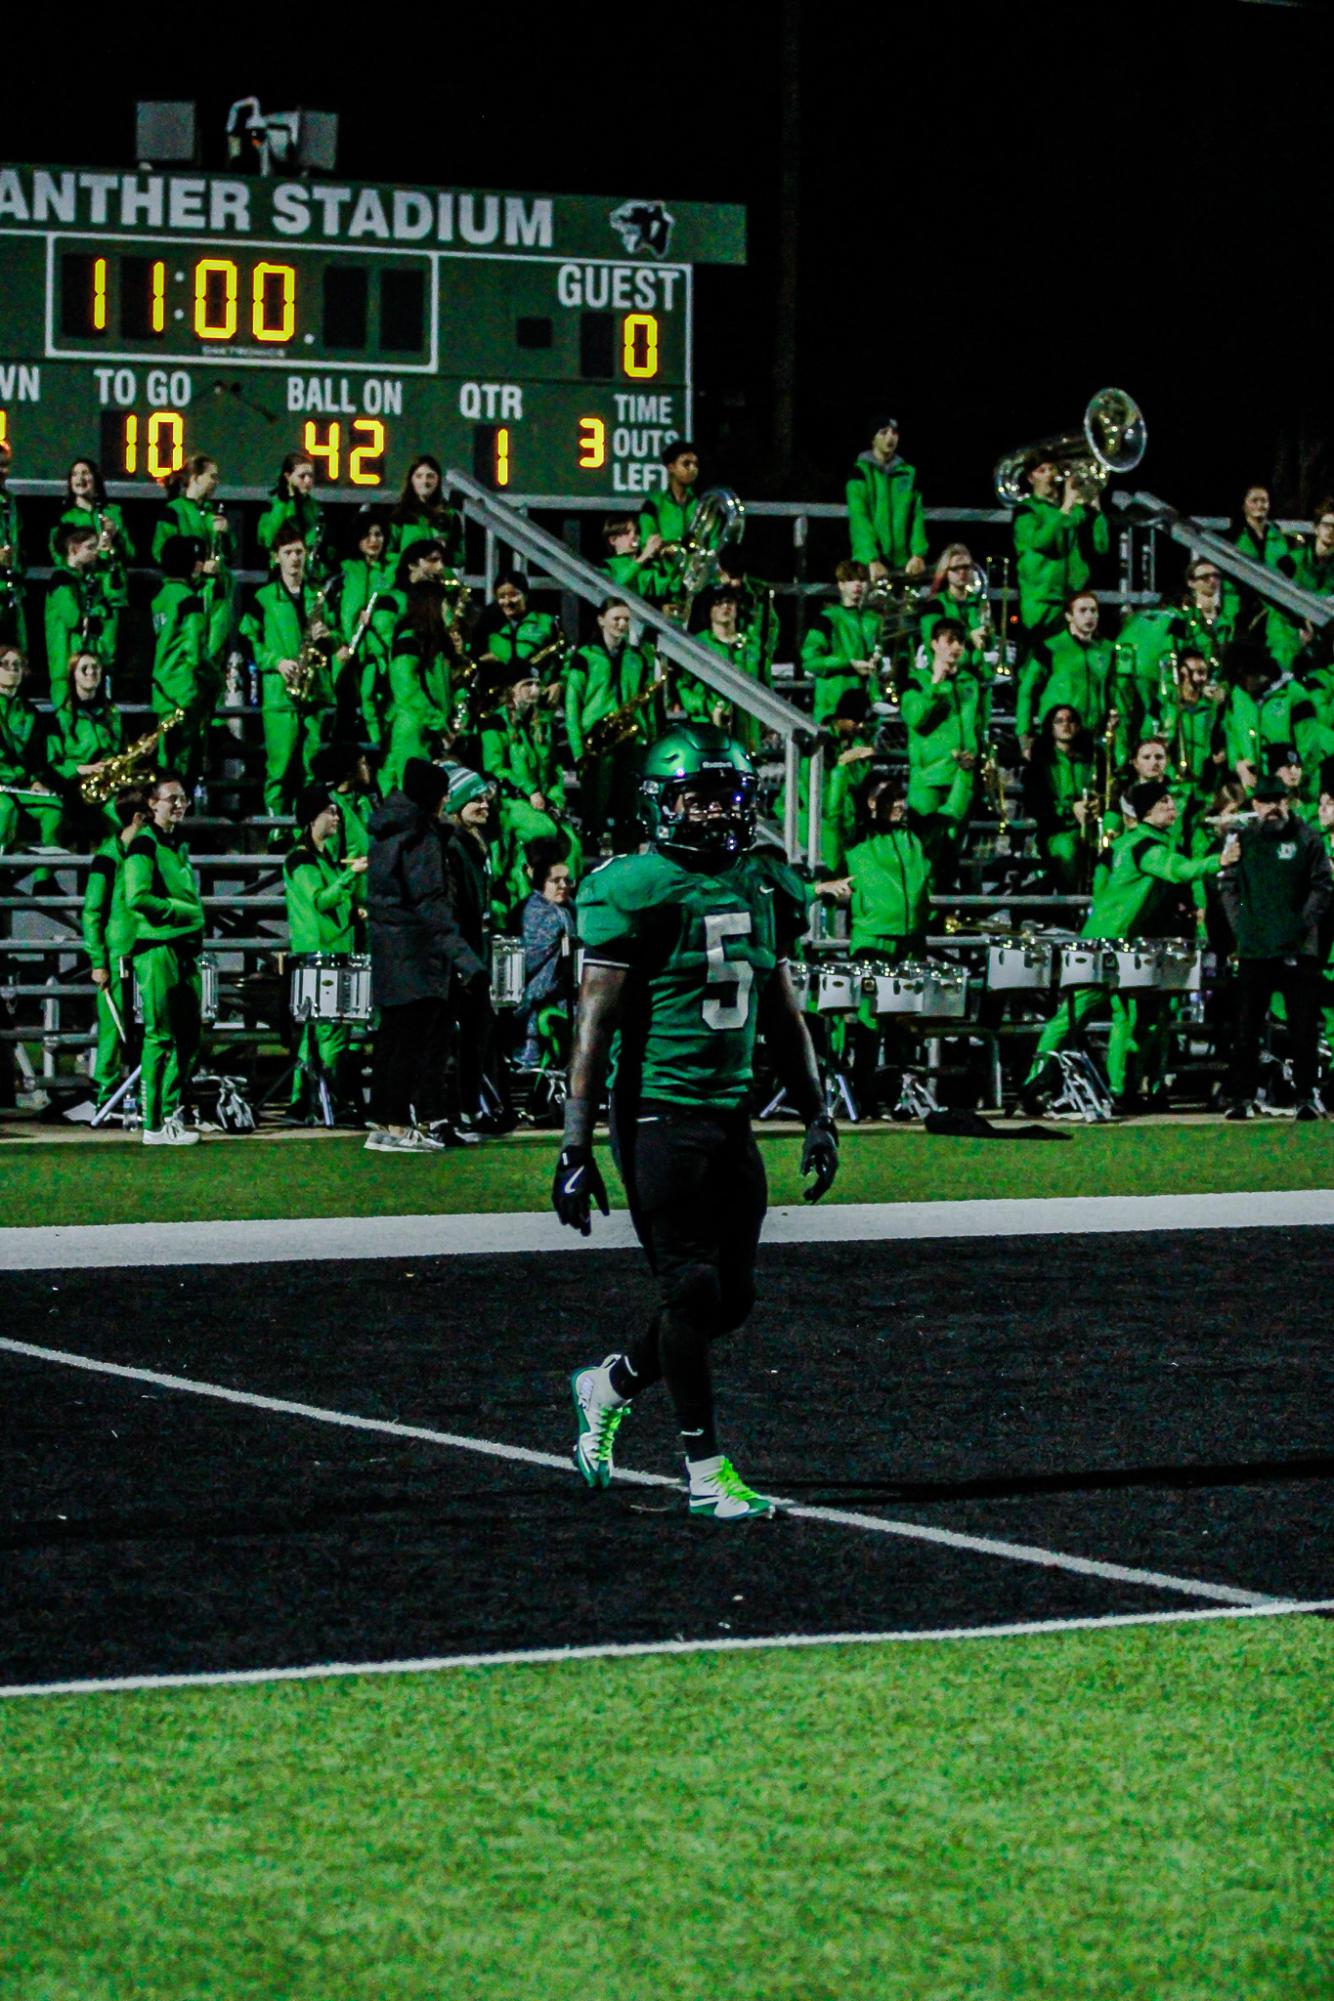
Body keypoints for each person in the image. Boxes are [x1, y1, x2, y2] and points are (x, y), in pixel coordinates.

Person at [555, 724, 838, 1520]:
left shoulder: (764, 880)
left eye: (727, 796)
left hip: (729, 1114)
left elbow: (783, 1011)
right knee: (692, 1287)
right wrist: (575, 1146)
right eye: (697, 797)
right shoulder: (632, 886)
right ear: (661, 804)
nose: (715, 813)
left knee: (731, 1300)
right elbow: (593, 1025)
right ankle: (706, 1473)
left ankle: (608, 1385)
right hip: (655, 1113)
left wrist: (817, 1110)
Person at [1021, 781, 1239, 1114]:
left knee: (1124, 1016)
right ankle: (1033, 1086)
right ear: (1147, 811)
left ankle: (1118, 1090)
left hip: (1108, 940)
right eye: (1164, 801)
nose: (1172, 806)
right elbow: (1178, 870)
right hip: (1107, 944)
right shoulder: (1146, 848)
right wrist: (1218, 860)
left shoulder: (1125, 844)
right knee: (1071, 1018)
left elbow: (1104, 887)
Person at [366, 757, 485, 1151]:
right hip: (417, 951)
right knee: (411, 1042)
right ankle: (398, 1124)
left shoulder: (388, 829)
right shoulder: (422, 836)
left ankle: (383, 1121)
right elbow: (431, 902)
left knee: (391, 1038)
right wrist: (466, 959)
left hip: (388, 946)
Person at [1220, 775, 1332, 1119]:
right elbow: (1228, 885)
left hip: (1298, 949)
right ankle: (1241, 1097)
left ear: (1290, 801)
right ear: (1254, 806)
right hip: (1256, 949)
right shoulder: (1242, 840)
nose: (1272, 808)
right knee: (1247, 1028)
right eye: (1265, 801)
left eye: (1278, 800)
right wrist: (1244, 927)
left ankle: (1306, 1096)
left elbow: (1323, 886)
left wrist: (1299, 925)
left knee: (1303, 1027)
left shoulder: (1307, 838)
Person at [240, 523, 343, 824]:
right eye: (288, 553)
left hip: (314, 693)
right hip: (281, 695)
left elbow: (337, 639)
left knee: (312, 767)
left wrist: (328, 635)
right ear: (276, 558)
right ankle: (276, 829)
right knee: (281, 767)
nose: (295, 558)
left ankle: (308, 826)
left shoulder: (317, 595)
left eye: (299, 551)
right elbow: (250, 639)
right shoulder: (263, 598)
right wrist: (277, 662)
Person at [125, 770, 206, 1146]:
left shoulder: (176, 844)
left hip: (183, 947)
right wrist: (180, 911)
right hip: (157, 948)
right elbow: (137, 897)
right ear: (152, 804)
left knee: (190, 1036)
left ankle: (172, 1114)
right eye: (171, 798)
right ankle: (154, 1123)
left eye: (183, 797)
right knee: (160, 1035)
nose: (179, 803)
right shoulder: (144, 845)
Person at [284, 782, 369, 1121]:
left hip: (333, 954)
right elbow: (320, 900)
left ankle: (304, 1103)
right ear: (311, 818)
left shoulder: (323, 860)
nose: (336, 816)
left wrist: (353, 912)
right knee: (327, 1032)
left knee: (321, 1033)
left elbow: (333, 906)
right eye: (329, 811)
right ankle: (325, 1101)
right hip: (318, 958)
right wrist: (351, 876)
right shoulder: (301, 860)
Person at [441, 764, 505, 1133]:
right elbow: (454, 907)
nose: (484, 805)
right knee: (456, 1037)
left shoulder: (475, 843)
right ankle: (453, 1112)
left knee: (479, 1031)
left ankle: (471, 1109)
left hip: (473, 950)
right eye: (475, 799)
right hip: (460, 954)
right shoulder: (453, 845)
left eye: (485, 798)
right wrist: (463, 960)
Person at [564, 597, 656, 847]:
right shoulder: (584, 656)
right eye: (616, 618)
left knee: (629, 809)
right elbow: (572, 706)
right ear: (601, 620)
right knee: (595, 809)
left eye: (626, 619)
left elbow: (644, 702)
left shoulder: (637, 658)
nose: (622, 624)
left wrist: (649, 738)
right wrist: (578, 750)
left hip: (629, 739)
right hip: (597, 740)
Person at [81, 786, 149, 1113]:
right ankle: (106, 1097)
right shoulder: (108, 857)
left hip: (149, 950)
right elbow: (93, 911)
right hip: (120, 954)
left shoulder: (148, 852)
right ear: (138, 817)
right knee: (113, 1029)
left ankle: (150, 1094)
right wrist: (98, 960)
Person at [900, 618, 982, 875]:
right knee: (925, 853)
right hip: (928, 778)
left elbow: (978, 724)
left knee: (951, 854)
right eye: (949, 640)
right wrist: (935, 685)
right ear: (934, 644)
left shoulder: (970, 683)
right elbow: (915, 718)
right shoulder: (916, 681)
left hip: (961, 776)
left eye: (960, 641)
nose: (956, 647)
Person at [1012, 453, 1109, 654]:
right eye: (1042, 471)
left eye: (1052, 469)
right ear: (1031, 478)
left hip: (1073, 603)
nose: (1049, 475)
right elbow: (1042, 541)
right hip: (1041, 605)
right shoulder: (1025, 511)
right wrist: (1065, 509)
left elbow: (1101, 546)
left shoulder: (1072, 510)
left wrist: (1095, 508)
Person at [49, 458, 134, 667]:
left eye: (85, 473)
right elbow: (59, 557)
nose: (80, 478)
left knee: (109, 655)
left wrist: (116, 534)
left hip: (111, 595)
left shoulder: (113, 512)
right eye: (75, 474)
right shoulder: (66, 517)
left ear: (95, 478)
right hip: (84, 593)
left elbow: (131, 553)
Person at [150, 536, 218, 790]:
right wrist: (215, 679)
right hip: (185, 693)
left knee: (163, 761)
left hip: (161, 690)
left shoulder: (159, 597)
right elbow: (195, 653)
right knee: (182, 770)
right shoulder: (189, 599)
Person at [1016, 591, 1116, 753]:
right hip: (1057, 736)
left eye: (1093, 610)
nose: (1089, 616)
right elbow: (1026, 690)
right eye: (1082, 611)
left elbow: (1113, 690)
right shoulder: (1051, 648)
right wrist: (1024, 734)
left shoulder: (1107, 650)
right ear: (1069, 616)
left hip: (1093, 736)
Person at [45, 650, 123, 841]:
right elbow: (52, 762)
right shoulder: (61, 717)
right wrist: (82, 769)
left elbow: (118, 748)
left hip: (106, 781)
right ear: (73, 675)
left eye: (96, 668)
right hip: (73, 785)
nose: (91, 673)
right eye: (84, 669)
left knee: (121, 811)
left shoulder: (111, 714)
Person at [516, 838, 576, 1069]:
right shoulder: (537, 913)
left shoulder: (567, 908)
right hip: (537, 1001)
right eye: (555, 881)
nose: (563, 885)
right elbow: (530, 960)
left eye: (567, 880)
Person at [845, 415, 927, 581]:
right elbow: (859, 518)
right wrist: (871, 558)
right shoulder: (860, 473)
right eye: (883, 433)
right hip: (870, 564)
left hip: (904, 565)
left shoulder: (908, 473)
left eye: (894, 433)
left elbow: (917, 516)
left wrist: (918, 554)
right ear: (872, 439)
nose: (890, 437)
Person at [1026, 704, 1096, 894]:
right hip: (1057, 831)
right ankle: (1072, 904)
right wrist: (1070, 809)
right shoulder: (1039, 765)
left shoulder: (1093, 759)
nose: (1066, 725)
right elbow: (1037, 806)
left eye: (1070, 720)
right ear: (1051, 727)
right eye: (1059, 721)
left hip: (1093, 828)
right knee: (1067, 851)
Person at [0, 645, 64, 852]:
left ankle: (42, 882)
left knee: (52, 808)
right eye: (5, 664)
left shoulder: (30, 712)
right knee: (4, 809)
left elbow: (35, 755)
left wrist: (35, 780)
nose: (12, 670)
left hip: (17, 785)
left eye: (17, 665)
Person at [800, 561, 879, 724]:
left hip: (866, 710)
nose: (857, 584)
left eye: (862, 580)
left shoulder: (874, 620)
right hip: (833, 709)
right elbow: (810, 662)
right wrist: (848, 664)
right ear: (841, 585)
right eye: (851, 579)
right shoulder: (826, 619)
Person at [44, 523, 109, 708]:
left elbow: (104, 611)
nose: (95, 552)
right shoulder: (61, 580)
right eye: (90, 547)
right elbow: (73, 618)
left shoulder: (87, 580)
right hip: (65, 665)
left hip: (86, 663)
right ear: (73, 549)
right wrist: (93, 616)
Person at [472, 571, 565, 696]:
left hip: (537, 697)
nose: (507, 601)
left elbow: (566, 658)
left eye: (513, 595)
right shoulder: (486, 625)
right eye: (501, 596)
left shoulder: (545, 622)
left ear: (525, 595)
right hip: (499, 702)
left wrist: (559, 683)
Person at [387, 454, 464, 572]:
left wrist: (444, 552)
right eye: (419, 476)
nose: (425, 482)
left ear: (438, 480)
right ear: (411, 480)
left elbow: (461, 557)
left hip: (437, 580)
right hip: (409, 580)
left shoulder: (450, 515)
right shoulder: (400, 514)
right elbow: (387, 553)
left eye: (430, 476)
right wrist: (412, 559)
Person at [257, 452, 329, 576]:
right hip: (282, 573)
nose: (308, 480)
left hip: (309, 574)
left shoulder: (316, 507)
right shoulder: (274, 505)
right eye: (302, 476)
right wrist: (285, 504)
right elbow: (267, 538)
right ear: (288, 477)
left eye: (310, 476)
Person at [639, 439, 701, 551]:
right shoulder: (653, 504)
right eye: (686, 464)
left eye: (696, 464)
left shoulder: (702, 504)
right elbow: (646, 543)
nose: (693, 469)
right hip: (662, 567)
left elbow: (713, 542)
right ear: (671, 467)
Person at [0, 438, 27, 651]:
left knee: (16, 654)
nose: (2, 471)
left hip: (12, 593)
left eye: (5, 465)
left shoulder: (10, 501)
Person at [601, 515, 667, 600]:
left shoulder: (648, 565)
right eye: (627, 533)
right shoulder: (606, 565)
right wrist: (644, 556)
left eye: (636, 532)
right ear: (613, 540)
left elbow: (663, 591)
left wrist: (662, 562)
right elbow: (617, 584)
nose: (634, 536)